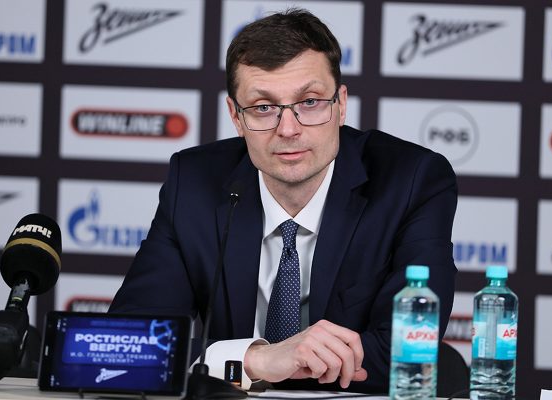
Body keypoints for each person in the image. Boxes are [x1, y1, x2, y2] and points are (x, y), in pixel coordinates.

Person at [110, 8, 457, 393]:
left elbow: (407, 354)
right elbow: (127, 345)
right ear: (236, 116)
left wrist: (286, 362)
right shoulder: (193, 183)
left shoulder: (411, 181)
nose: (288, 129)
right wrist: (256, 359)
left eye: (310, 102)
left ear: (340, 105)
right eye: (264, 107)